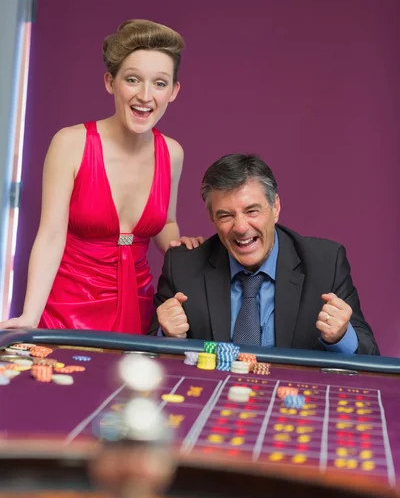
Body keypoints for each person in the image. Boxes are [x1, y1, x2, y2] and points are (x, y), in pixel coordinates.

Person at [1, 19, 203, 334]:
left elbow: (165, 222)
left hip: (138, 305)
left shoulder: (172, 153)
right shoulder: (70, 143)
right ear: (111, 82)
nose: (145, 96)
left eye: (160, 83)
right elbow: (52, 234)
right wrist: (29, 317)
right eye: (133, 80)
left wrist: (181, 245)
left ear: (173, 91)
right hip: (68, 308)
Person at [151, 153, 379, 355]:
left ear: (276, 207)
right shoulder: (182, 267)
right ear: (212, 219)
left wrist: (341, 336)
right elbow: (148, 354)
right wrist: (167, 335)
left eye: (252, 211)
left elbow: (370, 354)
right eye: (225, 216)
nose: (240, 227)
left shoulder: (326, 263)